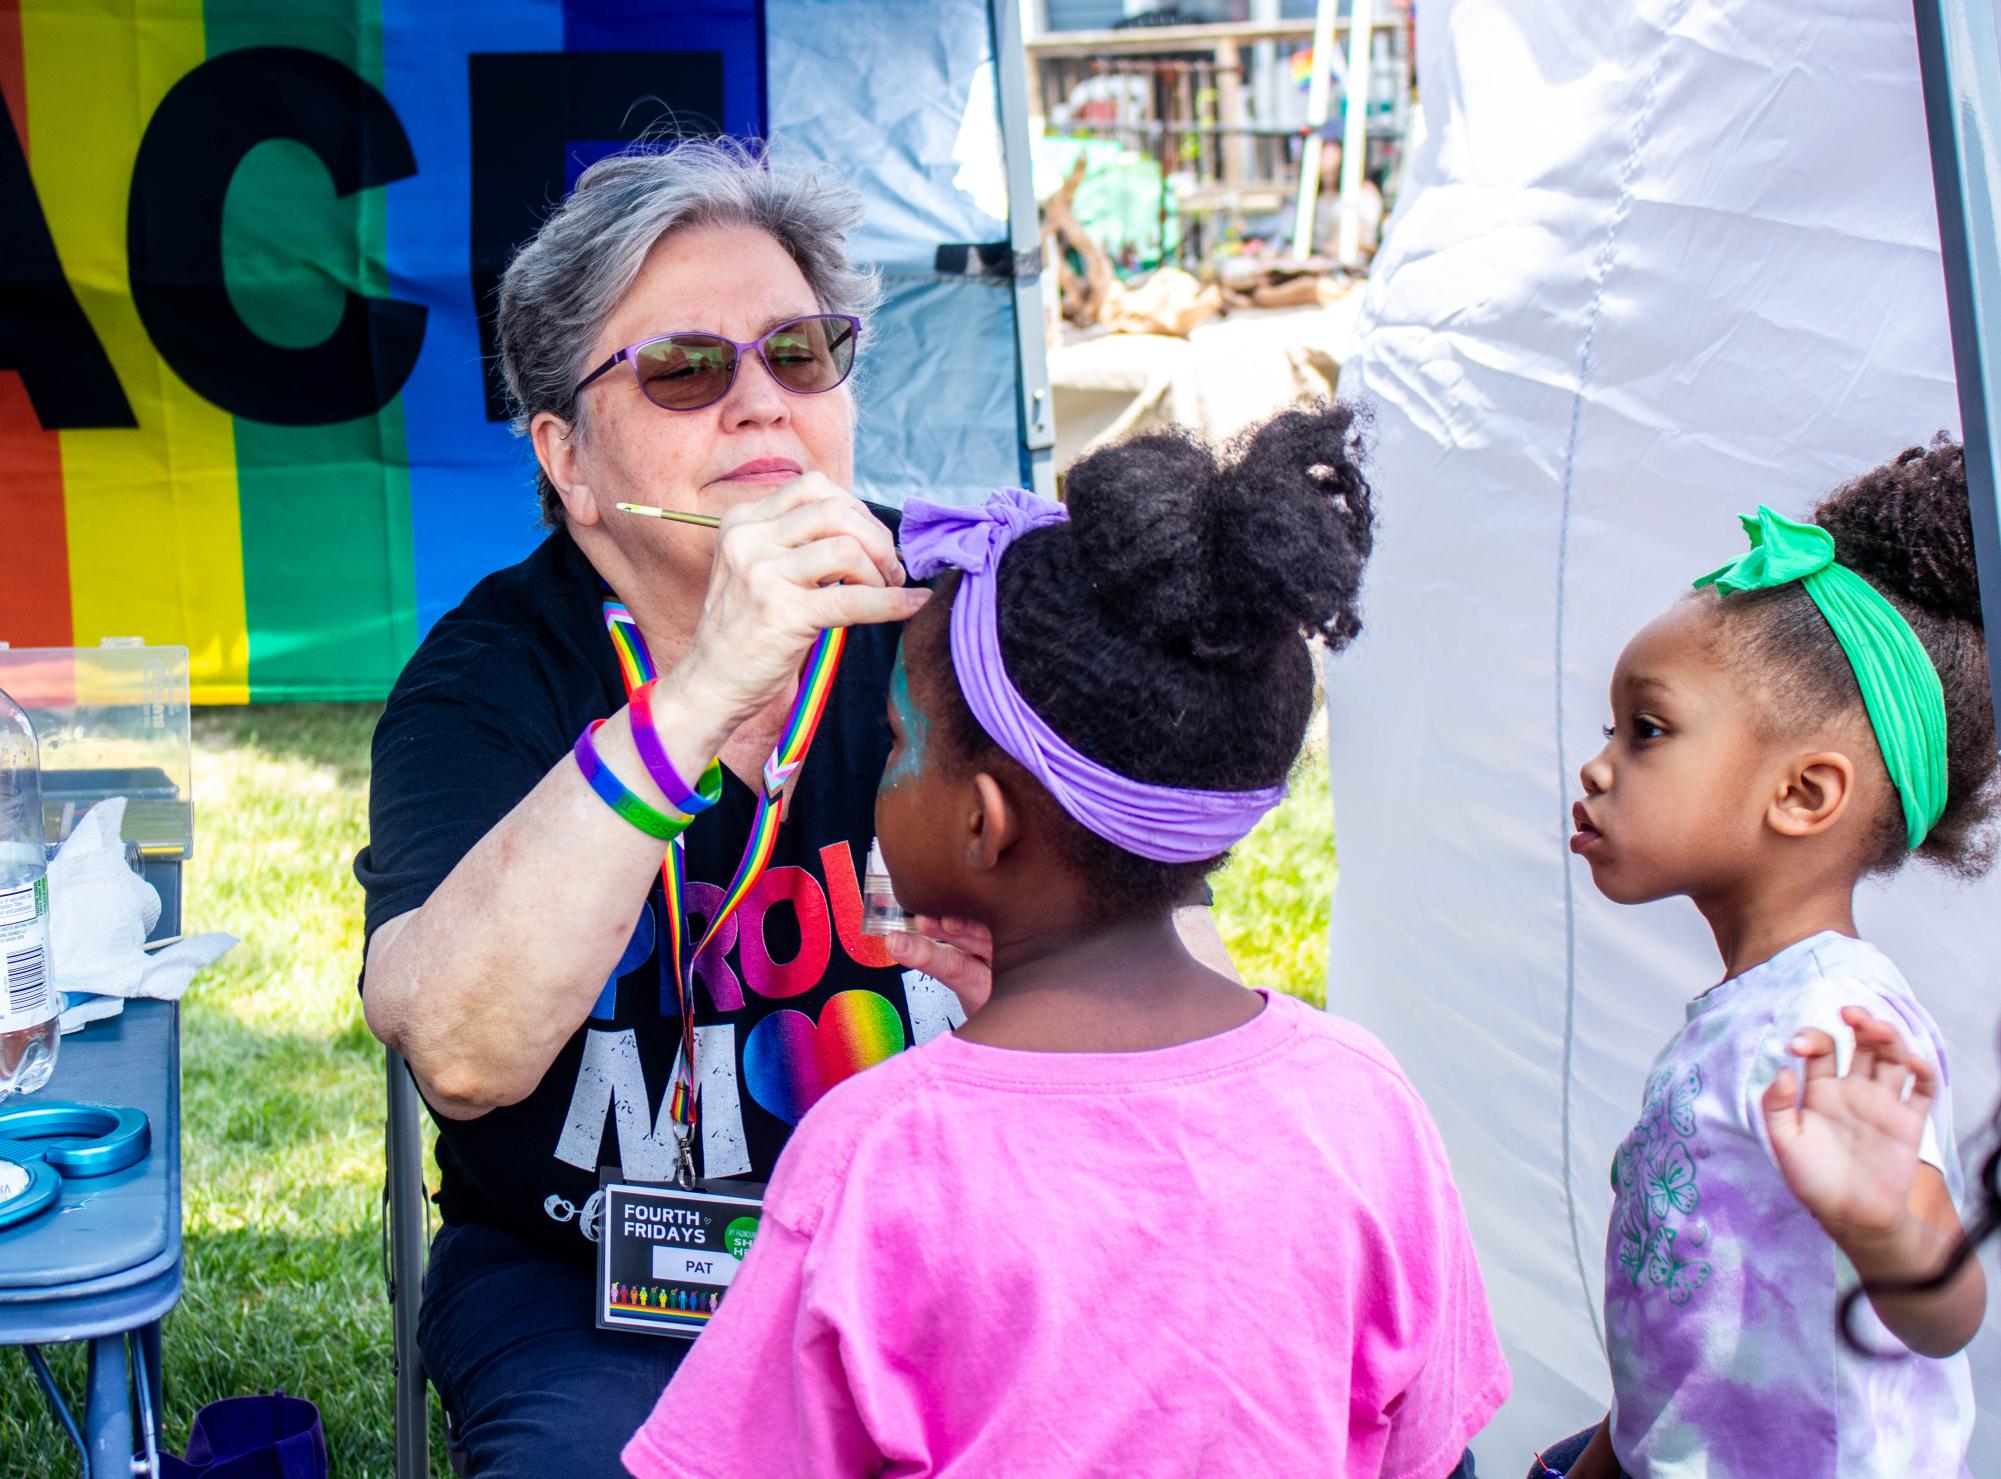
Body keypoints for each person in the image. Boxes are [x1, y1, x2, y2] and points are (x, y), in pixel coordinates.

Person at [353, 138, 1236, 1476]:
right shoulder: (483, 686)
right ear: (569, 456)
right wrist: (703, 688)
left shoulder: (966, 620)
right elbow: (464, 1053)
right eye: (686, 367)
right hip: (594, 1284)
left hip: (966, 1233)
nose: (761, 402)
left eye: (801, 352)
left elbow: (1180, 995)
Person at [624, 405, 1510, 1478]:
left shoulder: (879, 1154)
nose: (879, 765)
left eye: (899, 739)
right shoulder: (1365, 1101)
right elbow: (1425, 1453)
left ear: (981, 824)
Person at [1542, 439, 1994, 1478]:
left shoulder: (1831, 1017)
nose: (1598, 765)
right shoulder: (1743, 1011)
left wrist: (1889, 1226)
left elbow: (1946, 1312)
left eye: (1647, 729)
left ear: (1805, 794)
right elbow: (1684, 1345)